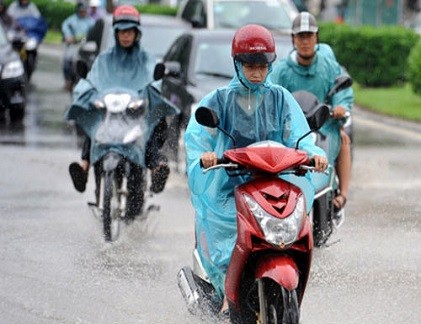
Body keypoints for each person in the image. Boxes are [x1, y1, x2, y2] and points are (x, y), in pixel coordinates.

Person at [184, 24, 328, 315]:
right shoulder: (219, 100)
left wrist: (313, 154)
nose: (256, 72)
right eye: (250, 65)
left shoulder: (281, 98)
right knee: (225, 229)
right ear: (237, 64)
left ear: (270, 65)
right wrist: (206, 157)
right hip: (229, 187)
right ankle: (225, 291)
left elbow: (300, 135)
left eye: (262, 66)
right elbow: (198, 138)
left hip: (276, 182)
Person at [66, 4, 174, 196]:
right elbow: (92, 79)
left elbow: (155, 81)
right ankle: (84, 167)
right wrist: (85, 91)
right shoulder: (104, 59)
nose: (125, 36)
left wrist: (151, 92)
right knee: (95, 126)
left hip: (136, 113)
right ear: (115, 33)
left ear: (136, 33)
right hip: (110, 111)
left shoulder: (146, 59)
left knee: (148, 129)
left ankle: (156, 168)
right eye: (121, 31)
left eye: (129, 31)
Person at [271, 11, 353, 212]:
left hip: (324, 126)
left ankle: (342, 194)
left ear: (316, 38)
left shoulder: (328, 65)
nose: (305, 41)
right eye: (300, 36)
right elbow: (270, 95)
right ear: (293, 39)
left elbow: (342, 87)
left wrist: (341, 107)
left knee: (343, 139)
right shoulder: (282, 70)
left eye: (309, 36)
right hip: (291, 131)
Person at [61, 1, 95, 92]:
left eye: (85, 11)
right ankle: (67, 80)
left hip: (85, 46)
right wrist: (68, 36)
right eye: (81, 11)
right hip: (73, 44)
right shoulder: (71, 20)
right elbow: (65, 27)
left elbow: (93, 32)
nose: (83, 13)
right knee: (67, 60)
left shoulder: (91, 21)